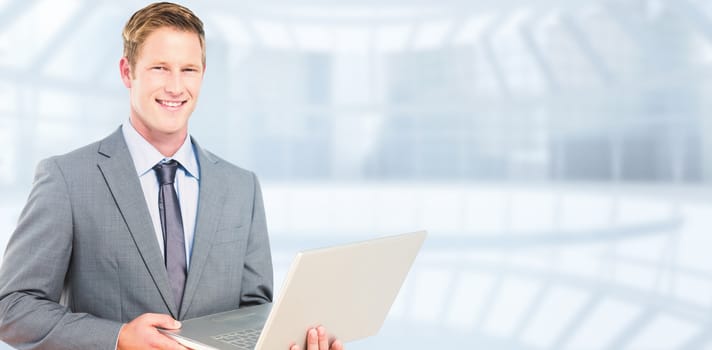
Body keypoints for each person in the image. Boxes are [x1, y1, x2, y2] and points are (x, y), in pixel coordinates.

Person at [0, 2, 342, 350]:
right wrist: (117, 338)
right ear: (126, 72)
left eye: (188, 69)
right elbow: (12, 308)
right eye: (160, 68)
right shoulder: (68, 179)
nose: (176, 87)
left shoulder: (242, 188)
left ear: (203, 74)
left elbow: (254, 316)